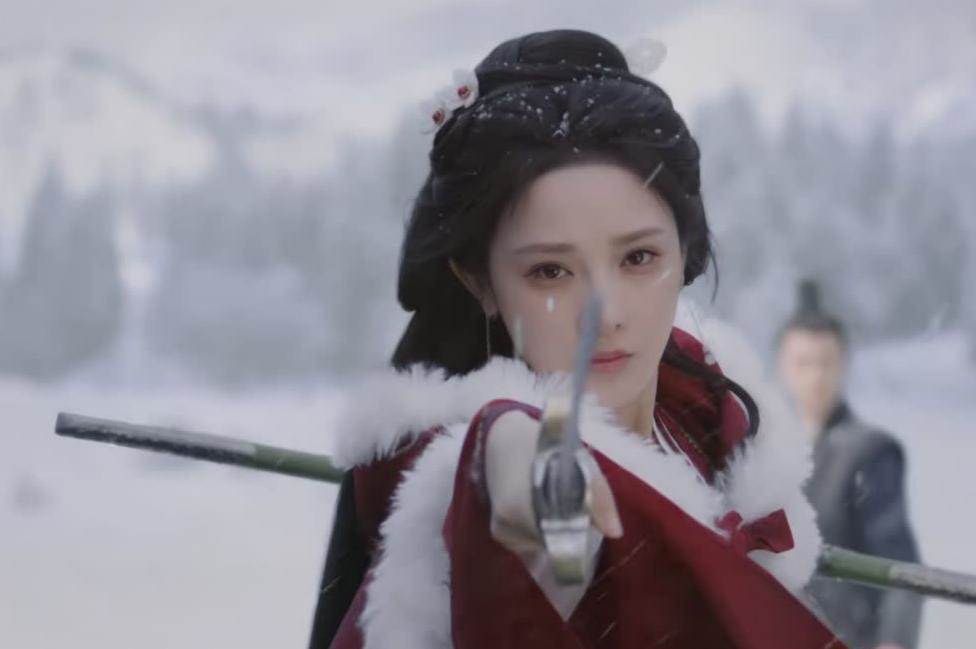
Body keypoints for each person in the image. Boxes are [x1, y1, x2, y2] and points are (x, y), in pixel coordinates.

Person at [309, 30, 844, 649]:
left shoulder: (706, 411)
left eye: (639, 258)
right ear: (480, 281)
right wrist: (501, 465)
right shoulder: (472, 461)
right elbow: (499, 461)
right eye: (550, 272)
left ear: (685, 251)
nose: (605, 315)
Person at [777, 279, 923, 649]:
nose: (815, 376)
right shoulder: (767, 450)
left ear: (843, 364)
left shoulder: (868, 451)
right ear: (784, 366)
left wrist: (893, 641)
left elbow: (901, 567)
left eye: (826, 362)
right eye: (803, 363)